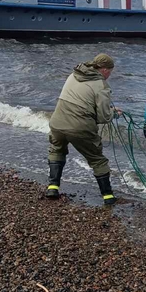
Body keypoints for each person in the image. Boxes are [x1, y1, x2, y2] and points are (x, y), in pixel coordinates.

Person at [46, 53, 119, 205]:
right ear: (104, 69)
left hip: (57, 122)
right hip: (80, 127)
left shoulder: (74, 74)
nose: (110, 75)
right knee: (97, 160)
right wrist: (114, 113)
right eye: (110, 72)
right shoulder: (101, 85)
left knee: (57, 149)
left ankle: (52, 187)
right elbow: (103, 117)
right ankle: (108, 197)